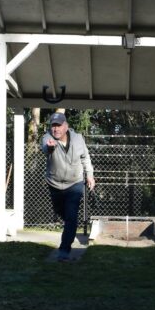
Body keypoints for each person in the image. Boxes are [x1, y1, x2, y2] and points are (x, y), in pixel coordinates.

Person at [41, 111, 95, 261]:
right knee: (61, 212)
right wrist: (50, 147)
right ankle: (70, 225)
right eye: (53, 126)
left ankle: (64, 250)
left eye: (58, 126)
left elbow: (85, 157)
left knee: (71, 217)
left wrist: (89, 175)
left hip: (75, 184)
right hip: (55, 184)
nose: (55, 129)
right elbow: (45, 148)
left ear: (66, 126)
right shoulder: (47, 138)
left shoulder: (78, 139)